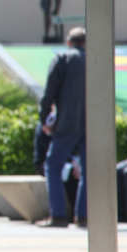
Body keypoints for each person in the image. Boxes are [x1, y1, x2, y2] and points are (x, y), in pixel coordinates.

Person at [37, 26, 87, 228]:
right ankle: (83, 216)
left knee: (52, 166)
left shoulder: (61, 59)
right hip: (91, 124)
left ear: (69, 42)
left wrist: (44, 119)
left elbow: (49, 93)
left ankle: (58, 214)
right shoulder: (94, 60)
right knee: (88, 169)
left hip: (66, 122)